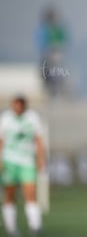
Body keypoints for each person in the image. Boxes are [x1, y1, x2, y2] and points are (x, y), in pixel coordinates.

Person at [0, 96, 46, 236]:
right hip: (9, 161)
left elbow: (38, 140)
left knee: (30, 193)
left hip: (27, 161)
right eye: (15, 106)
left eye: (20, 106)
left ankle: (35, 226)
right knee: (9, 194)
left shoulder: (32, 118)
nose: (17, 108)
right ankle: (11, 228)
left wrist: (40, 159)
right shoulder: (5, 118)